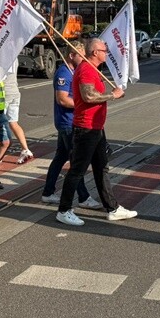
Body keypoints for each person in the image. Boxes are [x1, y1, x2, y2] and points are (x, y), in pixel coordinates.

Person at [55, 38, 137, 227]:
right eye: (104, 50)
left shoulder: (92, 69)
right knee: (77, 170)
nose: (106, 53)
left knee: (101, 168)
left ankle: (112, 208)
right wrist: (113, 95)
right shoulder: (86, 69)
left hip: (95, 127)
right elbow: (88, 96)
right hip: (86, 128)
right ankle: (64, 210)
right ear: (94, 52)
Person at [41, 41, 101, 208]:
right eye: (80, 56)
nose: (83, 59)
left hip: (70, 121)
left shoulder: (74, 71)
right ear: (71, 55)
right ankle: (83, 197)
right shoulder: (64, 73)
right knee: (77, 161)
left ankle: (48, 191)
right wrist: (83, 103)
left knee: (61, 157)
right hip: (67, 122)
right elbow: (62, 99)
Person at [3, 65, 34, 164]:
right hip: (14, 92)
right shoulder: (14, 56)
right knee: (13, 122)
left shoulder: (0, 56)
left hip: (3, 94)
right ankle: (25, 149)